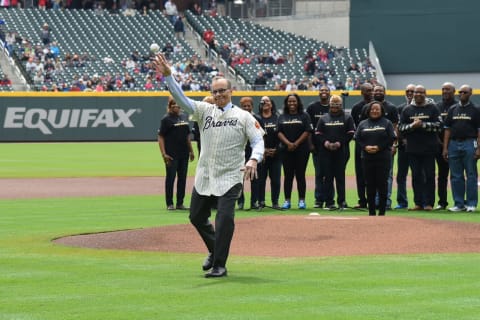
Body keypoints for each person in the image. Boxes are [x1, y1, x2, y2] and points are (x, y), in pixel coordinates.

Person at [153, 54, 265, 278]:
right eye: (215, 91)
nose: (219, 94)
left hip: (231, 176)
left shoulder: (243, 116)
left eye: (223, 90)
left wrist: (254, 159)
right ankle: (215, 251)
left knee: (224, 219)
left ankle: (220, 265)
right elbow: (182, 99)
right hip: (205, 175)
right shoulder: (204, 112)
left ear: (231, 91)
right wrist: (168, 77)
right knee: (195, 216)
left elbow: (258, 141)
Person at [399, 85, 441, 211]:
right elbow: (401, 128)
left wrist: (422, 124)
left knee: (429, 176)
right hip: (413, 149)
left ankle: (429, 203)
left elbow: (439, 126)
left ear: (425, 94)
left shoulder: (433, 108)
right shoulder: (407, 110)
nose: (418, 94)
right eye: (416, 92)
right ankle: (418, 203)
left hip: (429, 148)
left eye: (421, 92)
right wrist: (412, 126)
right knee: (416, 176)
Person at [442, 85, 480, 212]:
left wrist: (479, 148)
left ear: (470, 94)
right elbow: (447, 129)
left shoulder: (476, 109)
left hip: (470, 143)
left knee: (471, 174)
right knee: (456, 175)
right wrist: (445, 148)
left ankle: (471, 204)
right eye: (460, 92)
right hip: (453, 144)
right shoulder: (453, 109)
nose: (461, 94)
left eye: (465, 92)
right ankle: (459, 204)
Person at [355, 101, 396, 216]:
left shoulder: (387, 123)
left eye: (377, 109)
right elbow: (357, 138)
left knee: (382, 184)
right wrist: (365, 147)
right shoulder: (363, 124)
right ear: (368, 111)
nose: (375, 111)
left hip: (383, 157)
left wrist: (379, 147)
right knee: (370, 184)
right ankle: (371, 211)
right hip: (367, 157)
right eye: (372, 109)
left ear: (381, 111)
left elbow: (391, 138)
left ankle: (382, 212)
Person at [314, 95, 355, 210]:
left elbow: (350, 133)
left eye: (337, 104)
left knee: (340, 177)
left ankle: (342, 202)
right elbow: (318, 134)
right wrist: (326, 143)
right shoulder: (323, 118)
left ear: (341, 105)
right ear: (330, 104)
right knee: (328, 178)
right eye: (333, 104)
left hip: (341, 152)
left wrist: (339, 143)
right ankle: (329, 202)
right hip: (325, 152)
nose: (335, 106)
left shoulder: (347, 118)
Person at [158, 97, 195, 210]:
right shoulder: (166, 119)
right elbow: (160, 137)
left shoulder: (184, 117)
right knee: (171, 178)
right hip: (171, 154)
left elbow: (187, 136)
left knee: (182, 178)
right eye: (173, 104)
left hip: (183, 153)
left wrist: (191, 150)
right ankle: (169, 203)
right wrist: (164, 153)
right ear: (169, 106)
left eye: (177, 104)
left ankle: (180, 203)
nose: (175, 106)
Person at [277, 93, 313, 209]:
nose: (292, 103)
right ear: (286, 103)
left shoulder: (304, 115)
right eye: (290, 101)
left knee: (300, 175)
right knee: (288, 176)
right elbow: (279, 132)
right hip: (286, 150)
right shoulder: (282, 116)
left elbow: (307, 131)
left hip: (301, 150)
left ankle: (301, 200)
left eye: (294, 101)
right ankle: (287, 200)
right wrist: (288, 144)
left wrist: (296, 143)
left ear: (298, 102)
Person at [306, 85, 331, 208]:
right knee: (319, 174)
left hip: (332, 147)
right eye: (322, 90)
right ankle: (319, 200)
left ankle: (330, 200)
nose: (324, 92)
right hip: (317, 147)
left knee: (330, 174)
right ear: (318, 93)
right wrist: (310, 144)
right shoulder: (312, 107)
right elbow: (308, 128)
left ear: (330, 92)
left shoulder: (334, 106)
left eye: (326, 90)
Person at [350, 83, 373, 209]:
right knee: (360, 173)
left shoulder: (377, 106)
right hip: (360, 144)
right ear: (362, 92)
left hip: (376, 143)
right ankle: (362, 200)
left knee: (373, 173)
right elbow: (353, 127)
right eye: (367, 90)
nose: (370, 92)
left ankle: (373, 200)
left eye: (371, 90)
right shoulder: (356, 107)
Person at [435, 82, 457, 210]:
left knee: (456, 175)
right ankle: (442, 202)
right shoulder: (436, 106)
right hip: (439, 145)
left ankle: (459, 202)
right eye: (443, 89)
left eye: (448, 89)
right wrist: (441, 143)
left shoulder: (458, 106)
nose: (445, 91)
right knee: (442, 175)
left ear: (454, 91)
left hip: (455, 144)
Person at [257, 96, 281, 210]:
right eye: (263, 101)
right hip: (262, 155)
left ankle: (275, 202)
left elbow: (282, 135)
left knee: (275, 179)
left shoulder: (277, 118)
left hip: (276, 153)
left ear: (271, 104)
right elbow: (254, 137)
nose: (265, 102)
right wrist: (263, 150)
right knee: (261, 179)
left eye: (267, 101)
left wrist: (276, 149)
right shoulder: (256, 118)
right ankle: (261, 201)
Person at [237, 97, 261, 210]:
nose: (247, 108)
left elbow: (261, 137)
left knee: (254, 178)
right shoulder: (236, 119)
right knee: (239, 178)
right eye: (244, 106)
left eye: (248, 106)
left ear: (252, 106)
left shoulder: (257, 119)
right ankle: (240, 202)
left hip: (253, 153)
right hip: (240, 153)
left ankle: (254, 202)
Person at [394, 84, 415, 209]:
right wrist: (402, 139)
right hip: (403, 147)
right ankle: (402, 202)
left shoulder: (423, 107)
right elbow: (398, 127)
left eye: (412, 91)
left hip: (418, 147)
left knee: (418, 174)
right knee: (401, 175)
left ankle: (421, 201)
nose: (410, 93)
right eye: (407, 91)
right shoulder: (400, 108)